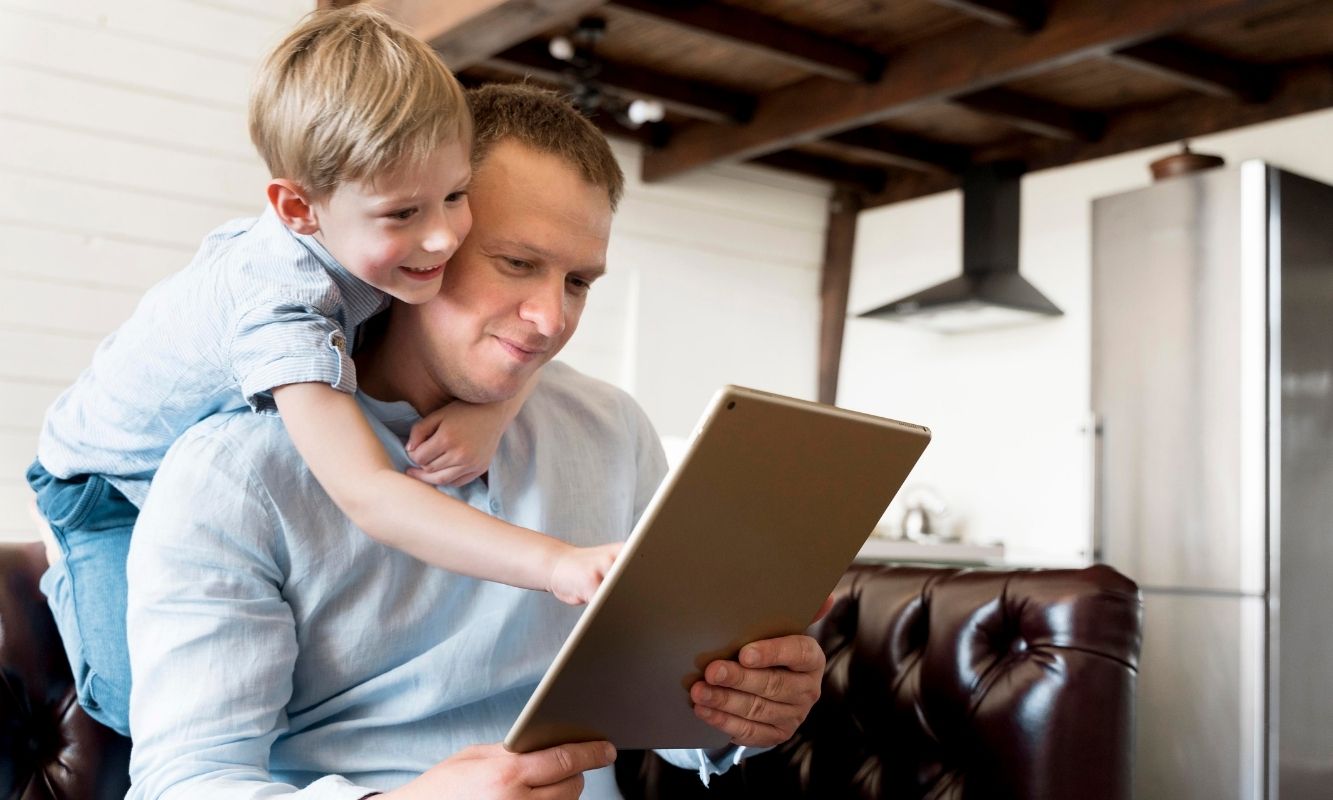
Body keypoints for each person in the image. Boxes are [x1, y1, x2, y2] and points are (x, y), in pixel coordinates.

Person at [124, 83, 827, 800]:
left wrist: (739, 710)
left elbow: (670, 721)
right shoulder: (234, 472)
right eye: (518, 263)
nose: (551, 319)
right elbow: (182, 783)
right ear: (422, 242)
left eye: (579, 281)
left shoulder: (611, 430)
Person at [28, 7, 619, 737]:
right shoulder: (283, 311)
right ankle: (66, 574)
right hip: (100, 481)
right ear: (297, 208)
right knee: (135, 704)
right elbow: (370, 495)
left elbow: (521, 332)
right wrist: (558, 565)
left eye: (457, 195)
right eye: (405, 212)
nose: (440, 237)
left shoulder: (376, 240)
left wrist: (490, 410)